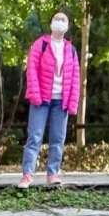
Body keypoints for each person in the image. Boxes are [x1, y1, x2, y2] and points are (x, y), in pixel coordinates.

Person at [18, 12, 80, 189]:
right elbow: (31, 70)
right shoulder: (40, 45)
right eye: (57, 19)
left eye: (64, 20)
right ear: (51, 23)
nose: (60, 23)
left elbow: (76, 78)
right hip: (42, 99)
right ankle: (27, 175)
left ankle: (52, 173)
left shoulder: (71, 49)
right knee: (34, 137)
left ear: (67, 26)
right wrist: (35, 95)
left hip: (61, 101)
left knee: (58, 139)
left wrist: (73, 103)